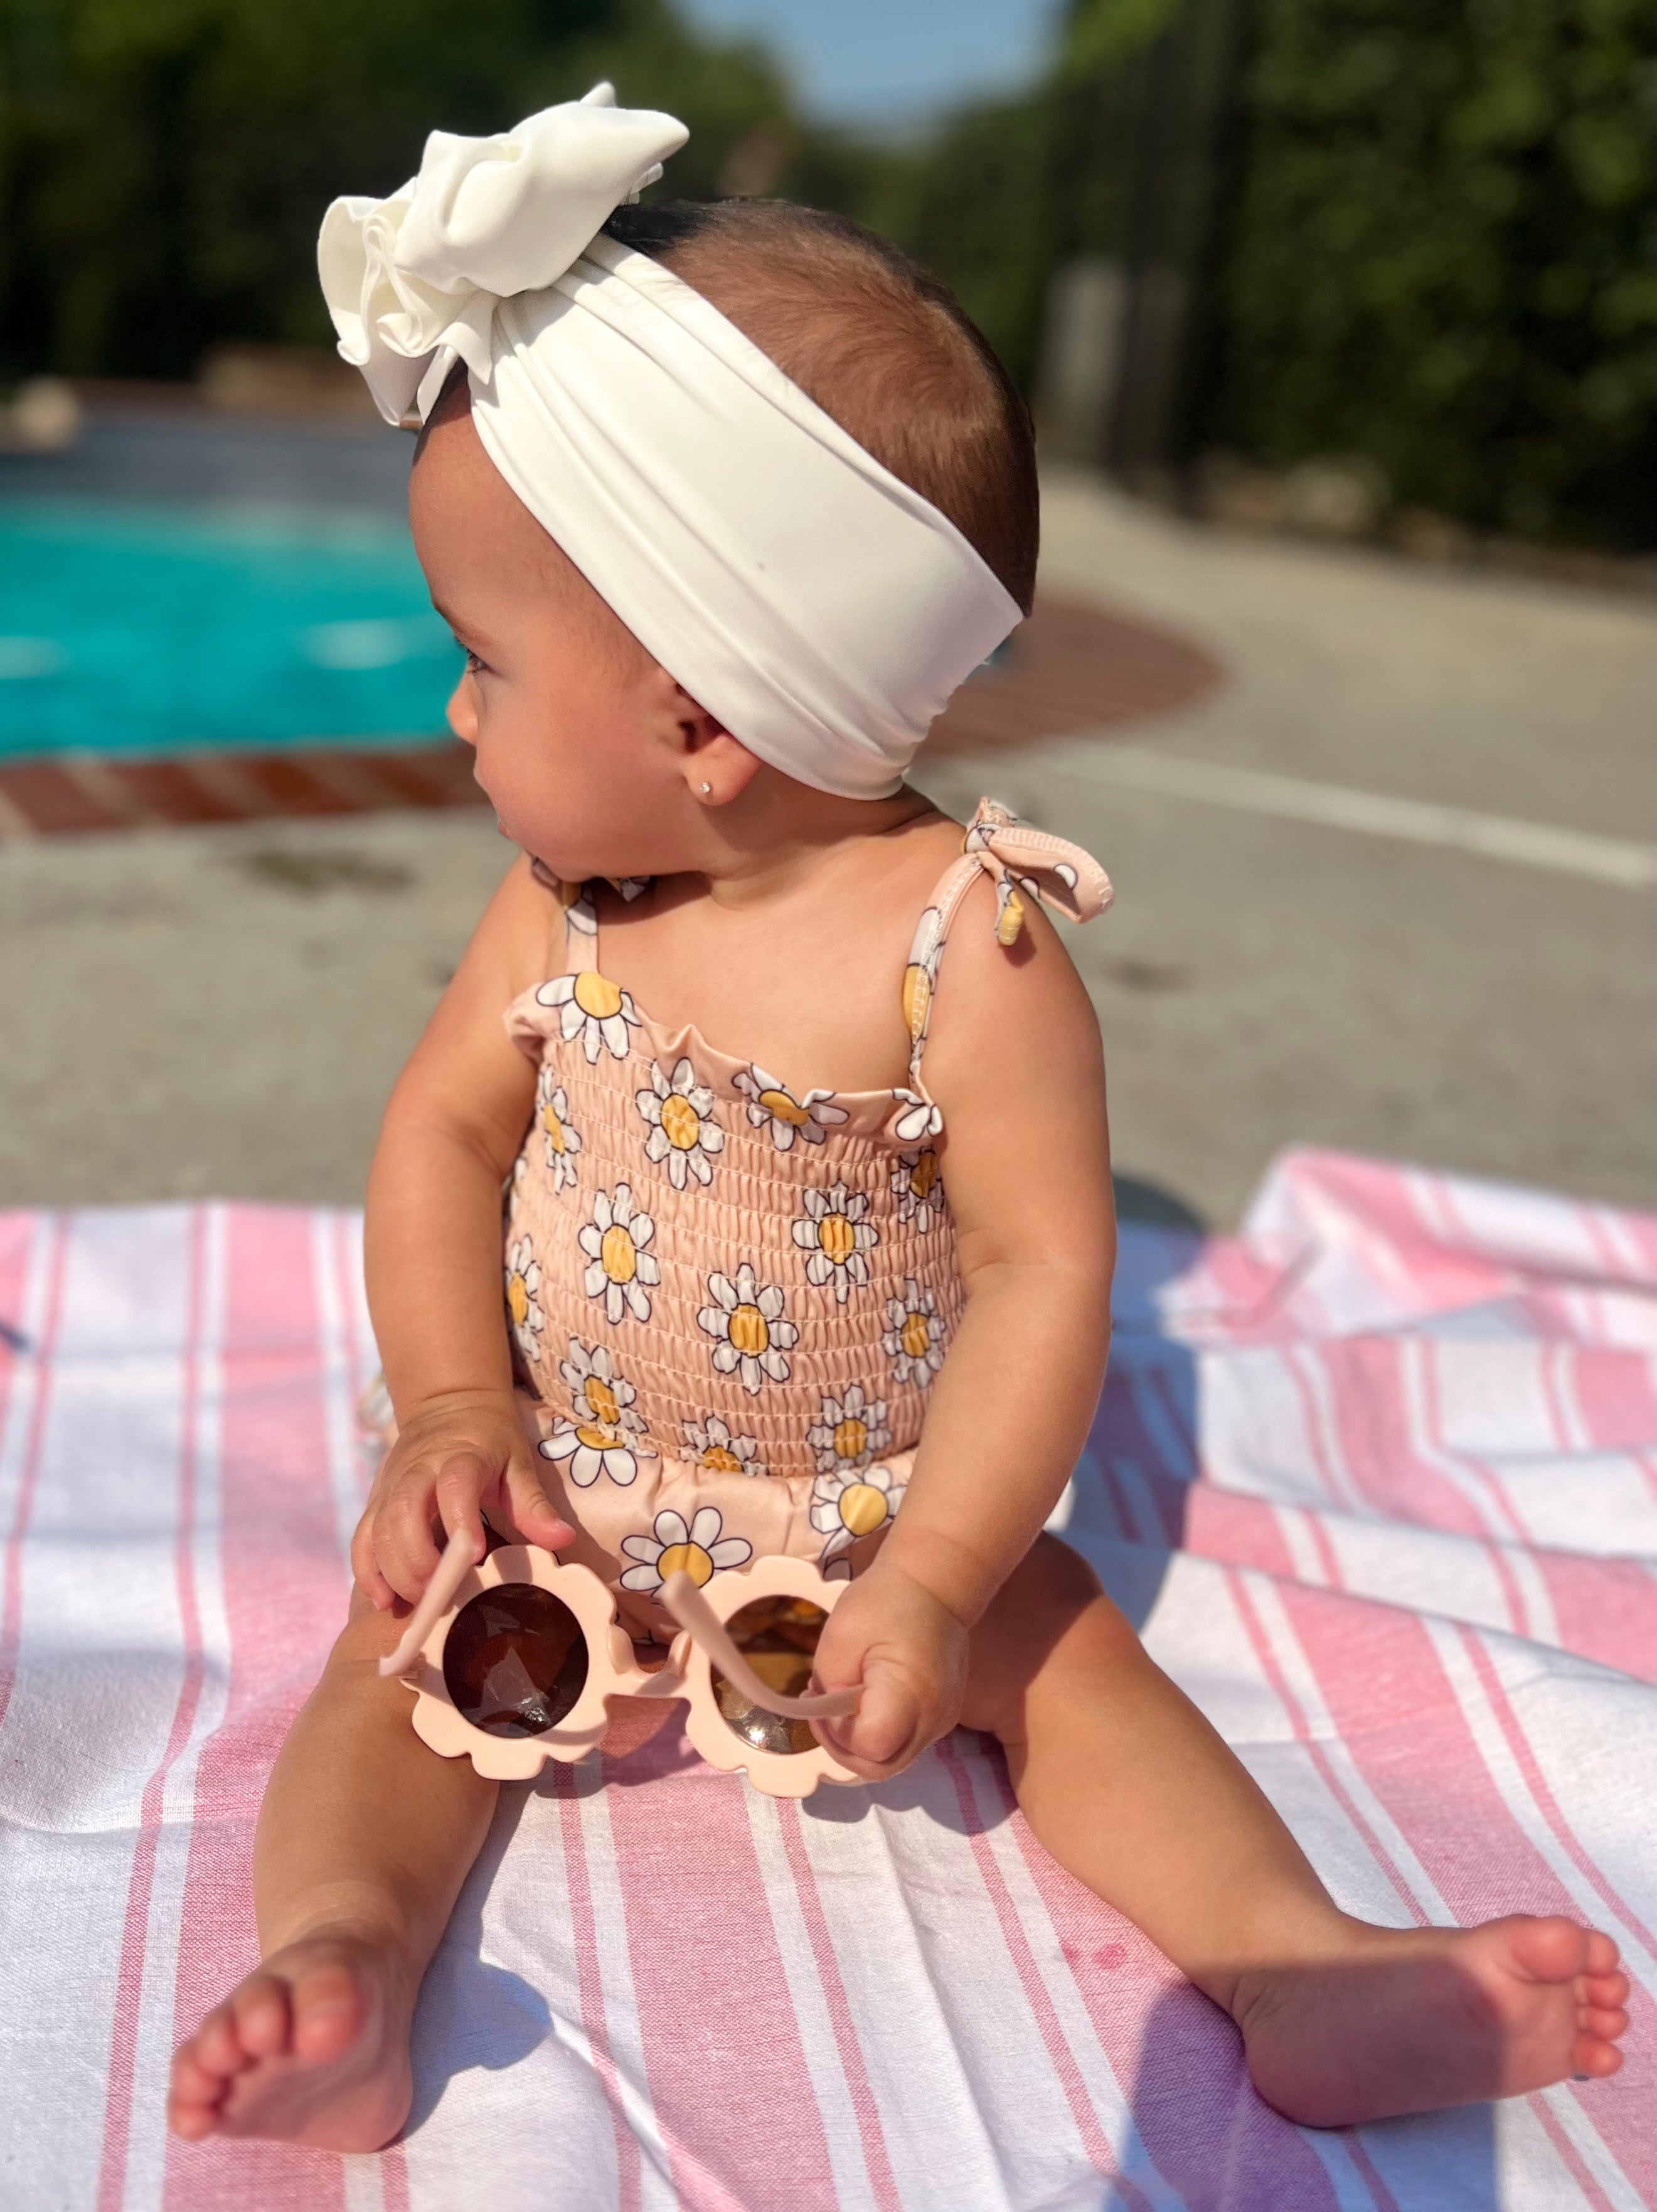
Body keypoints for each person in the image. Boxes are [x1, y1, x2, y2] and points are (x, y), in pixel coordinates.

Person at [167, 90, 1628, 2153]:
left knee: (1066, 1651)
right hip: (561, 1487)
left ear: (703, 720)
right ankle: (343, 1959)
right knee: (396, 1661)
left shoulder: (970, 946)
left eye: (484, 661)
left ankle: (1294, 1964)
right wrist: (447, 1418)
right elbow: (440, 1144)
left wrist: (938, 1575)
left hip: (866, 1508)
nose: (455, 714)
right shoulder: (560, 905)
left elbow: (1047, 1263)